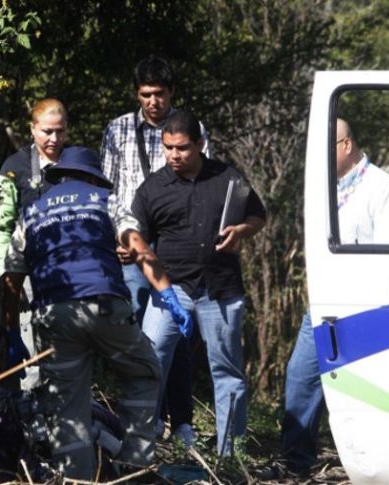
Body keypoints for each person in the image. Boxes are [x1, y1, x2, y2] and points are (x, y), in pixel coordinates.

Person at [1, 146, 193, 481]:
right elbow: (137, 245)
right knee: (143, 372)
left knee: (66, 405)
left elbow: (12, 278)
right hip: (106, 307)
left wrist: (12, 333)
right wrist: (168, 294)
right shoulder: (104, 200)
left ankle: (77, 478)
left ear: (60, 176)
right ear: (93, 177)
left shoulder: (31, 212)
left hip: (53, 315)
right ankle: (134, 468)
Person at [132, 110, 266, 456]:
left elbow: (257, 215)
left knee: (227, 371)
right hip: (169, 290)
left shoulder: (228, 178)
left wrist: (241, 231)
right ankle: (139, 451)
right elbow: (137, 238)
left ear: (200, 144)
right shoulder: (152, 189)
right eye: (168, 148)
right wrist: (127, 248)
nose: (174, 155)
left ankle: (230, 455)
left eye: (182, 148)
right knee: (149, 363)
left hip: (220, 289)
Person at [281, 118, 389, 475]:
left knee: (367, 391)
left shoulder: (382, 187)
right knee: (300, 375)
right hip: (324, 305)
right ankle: (295, 463)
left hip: (365, 308)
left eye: (325, 149)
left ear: (346, 145)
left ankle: (377, 468)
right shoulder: (326, 190)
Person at [100, 55, 210, 444]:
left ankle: (180, 419)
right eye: (146, 94)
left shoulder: (192, 129)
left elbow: (203, 186)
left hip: (176, 245)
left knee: (175, 331)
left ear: (171, 92)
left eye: (159, 94)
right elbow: (108, 190)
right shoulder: (118, 130)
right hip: (131, 245)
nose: (153, 102)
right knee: (139, 334)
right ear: (137, 94)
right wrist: (122, 237)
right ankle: (145, 417)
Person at [0, 98, 68, 388]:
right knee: (29, 348)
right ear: (33, 129)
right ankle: (30, 408)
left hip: (70, 270)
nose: (54, 139)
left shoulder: (77, 161)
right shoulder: (15, 166)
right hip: (27, 270)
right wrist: (7, 273)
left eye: (60, 131)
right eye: (47, 131)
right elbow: (0, 225)